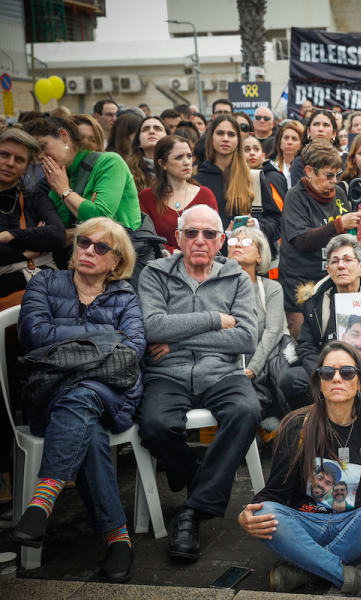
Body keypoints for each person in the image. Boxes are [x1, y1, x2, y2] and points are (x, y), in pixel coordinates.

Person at [238, 341, 361, 595]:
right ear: (319, 381)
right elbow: (275, 492)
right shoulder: (297, 426)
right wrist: (249, 514)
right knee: (265, 511)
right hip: (309, 526)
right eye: (328, 373)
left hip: (357, 527)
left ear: (360, 382)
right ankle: (355, 577)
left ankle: (306, 571)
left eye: (347, 373)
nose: (337, 379)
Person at [11, 217, 144, 582]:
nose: (89, 251)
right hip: (49, 396)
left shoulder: (124, 295)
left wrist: (70, 345)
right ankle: (119, 539)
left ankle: (41, 504)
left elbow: (132, 350)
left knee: (83, 397)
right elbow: (35, 335)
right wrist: (104, 336)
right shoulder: (45, 282)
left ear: (116, 261)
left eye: (102, 248)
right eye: (84, 242)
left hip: (111, 397)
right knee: (87, 423)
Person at [138, 204, 259, 561]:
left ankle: (191, 512)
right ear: (178, 238)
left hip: (222, 372)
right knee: (155, 425)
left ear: (221, 241)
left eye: (209, 234)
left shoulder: (236, 277)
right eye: (191, 233)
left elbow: (246, 339)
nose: (200, 241)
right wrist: (213, 319)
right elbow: (151, 327)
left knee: (247, 410)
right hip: (167, 374)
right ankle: (201, 480)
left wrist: (177, 338)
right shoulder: (154, 273)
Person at [278, 142, 361, 338]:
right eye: (328, 175)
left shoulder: (338, 193)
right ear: (309, 171)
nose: (334, 181)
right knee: (304, 341)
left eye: (337, 175)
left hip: (333, 280)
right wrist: (338, 224)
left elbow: (347, 236)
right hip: (300, 282)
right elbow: (301, 240)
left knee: (337, 339)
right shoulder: (295, 196)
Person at [279, 235, 361, 403]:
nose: (341, 266)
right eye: (335, 261)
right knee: (291, 379)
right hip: (328, 371)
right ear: (329, 270)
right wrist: (325, 373)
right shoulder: (315, 303)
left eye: (347, 260)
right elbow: (306, 347)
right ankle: (317, 421)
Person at [22, 115, 141, 231]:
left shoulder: (110, 162)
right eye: (34, 151)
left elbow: (100, 219)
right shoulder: (60, 173)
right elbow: (56, 226)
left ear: (64, 137)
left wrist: (65, 191)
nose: (40, 156)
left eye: (43, 146)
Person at [226, 225, 289, 430]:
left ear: (260, 256)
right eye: (233, 242)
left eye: (246, 242)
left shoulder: (271, 288)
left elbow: (273, 331)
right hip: (232, 362)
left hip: (265, 363)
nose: (237, 246)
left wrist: (252, 368)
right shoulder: (219, 289)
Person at [194, 115, 281, 255]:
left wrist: (256, 225)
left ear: (238, 140)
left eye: (231, 134)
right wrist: (224, 236)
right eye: (220, 133)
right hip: (210, 265)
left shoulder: (253, 178)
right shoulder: (196, 182)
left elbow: (278, 223)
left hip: (249, 265)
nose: (225, 138)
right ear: (211, 138)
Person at [0, 128, 65, 305]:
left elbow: (57, 235)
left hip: (38, 295)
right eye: (4, 155)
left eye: (19, 159)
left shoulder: (34, 198)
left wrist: (9, 236)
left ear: (27, 167)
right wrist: (27, 250)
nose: (10, 163)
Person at [139, 135, 217, 252]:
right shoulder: (147, 197)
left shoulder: (206, 195)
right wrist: (173, 253)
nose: (186, 162)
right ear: (162, 164)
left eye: (189, 156)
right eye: (179, 157)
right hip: (160, 266)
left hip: (200, 264)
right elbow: (145, 239)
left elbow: (212, 237)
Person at [288, 110, 341, 184]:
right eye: (316, 124)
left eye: (326, 125)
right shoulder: (300, 163)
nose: (320, 129)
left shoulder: (344, 160)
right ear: (308, 131)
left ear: (334, 134)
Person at [243, 135, 288, 210]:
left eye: (256, 149)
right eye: (247, 150)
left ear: (263, 156)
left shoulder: (273, 177)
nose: (252, 153)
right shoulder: (235, 178)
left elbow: (279, 211)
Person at [125, 116, 167, 191]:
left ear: (168, 138)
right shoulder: (126, 171)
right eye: (145, 129)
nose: (151, 131)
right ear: (139, 143)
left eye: (157, 129)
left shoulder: (177, 168)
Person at [272, 119, 303, 189]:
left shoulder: (306, 169)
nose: (289, 142)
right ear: (280, 143)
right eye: (286, 138)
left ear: (301, 144)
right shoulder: (273, 167)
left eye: (294, 139)